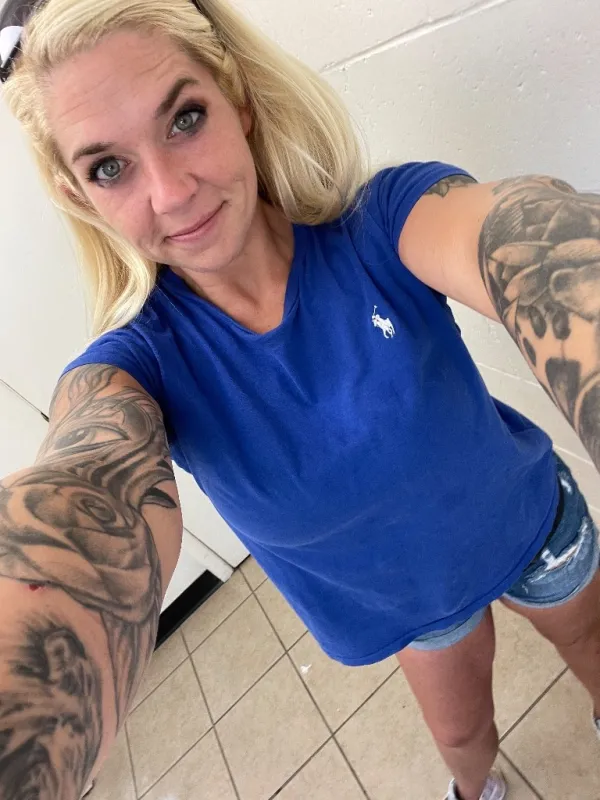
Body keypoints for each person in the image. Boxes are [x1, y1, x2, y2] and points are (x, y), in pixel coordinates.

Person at [1, 0, 600, 797]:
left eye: (185, 118)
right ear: (80, 196)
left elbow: (524, 240)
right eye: (110, 168)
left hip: (535, 523)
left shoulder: (380, 224)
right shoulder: (139, 368)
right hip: (415, 608)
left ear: (238, 100)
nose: (171, 192)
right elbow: (86, 480)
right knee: (463, 739)